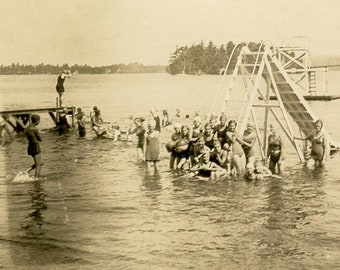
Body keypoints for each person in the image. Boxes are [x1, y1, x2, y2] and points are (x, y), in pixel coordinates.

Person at [24, 114, 43, 179]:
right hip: (35, 146)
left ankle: (27, 170)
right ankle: (36, 178)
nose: (39, 122)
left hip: (30, 147)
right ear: (37, 121)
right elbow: (40, 139)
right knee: (38, 165)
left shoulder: (27, 128)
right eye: (39, 120)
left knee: (41, 162)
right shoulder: (35, 129)